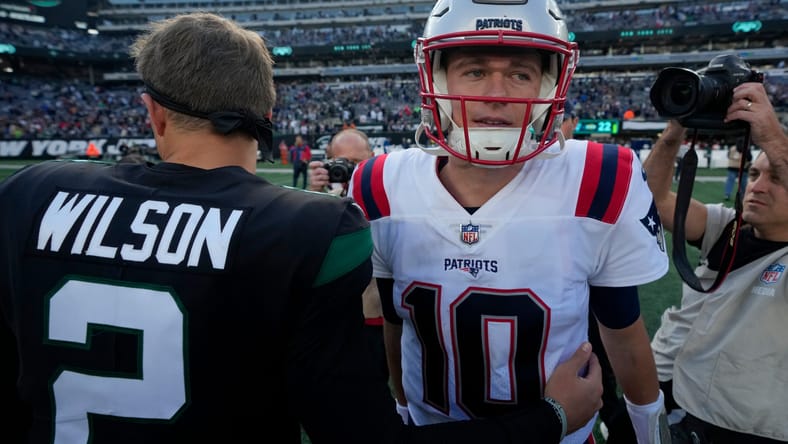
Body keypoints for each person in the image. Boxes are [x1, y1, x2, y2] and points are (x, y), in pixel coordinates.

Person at [0, 12, 605, 444]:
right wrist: (549, 417)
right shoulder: (309, 227)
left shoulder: (32, 192)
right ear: (268, 116)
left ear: (152, 112)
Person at [349, 1, 670, 443]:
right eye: (474, 71)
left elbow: (624, 334)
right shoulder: (379, 183)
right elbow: (395, 323)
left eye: (520, 74)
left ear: (549, 84)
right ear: (438, 79)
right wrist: (403, 406)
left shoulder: (600, 178)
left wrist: (651, 433)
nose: (496, 93)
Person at [644, 80, 788, 443]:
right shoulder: (728, 226)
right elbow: (653, 199)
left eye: (776, 177)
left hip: (738, 425)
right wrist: (676, 129)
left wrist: (772, 138)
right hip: (673, 389)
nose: (757, 187)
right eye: (754, 174)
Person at [308, 128, 388, 384]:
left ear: (373, 158)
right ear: (328, 160)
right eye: (341, 161)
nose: (349, 169)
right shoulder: (322, 202)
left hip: (376, 317)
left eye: (356, 162)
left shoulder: (389, 194)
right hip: (333, 320)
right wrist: (314, 193)